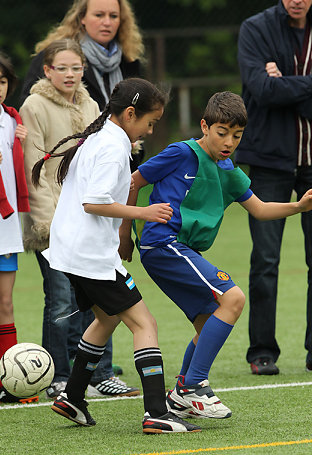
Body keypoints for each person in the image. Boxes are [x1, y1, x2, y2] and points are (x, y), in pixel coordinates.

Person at [119, 91, 312, 420]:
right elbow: (133, 181)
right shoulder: (182, 152)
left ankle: (180, 393)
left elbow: (261, 209)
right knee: (233, 299)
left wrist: (297, 206)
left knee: (210, 320)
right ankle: (193, 386)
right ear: (204, 126)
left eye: (237, 136)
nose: (229, 142)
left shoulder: (228, 169)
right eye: (222, 132)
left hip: (180, 249)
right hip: (162, 243)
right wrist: (125, 233)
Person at [31, 77, 202, 433]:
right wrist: (143, 214)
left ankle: (72, 398)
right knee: (145, 324)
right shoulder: (112, 145)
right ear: (128, 114)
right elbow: (94, 202)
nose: (150, 130)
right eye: (149, 122)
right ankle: (156, 411)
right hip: (90, 256)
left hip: (70, 251)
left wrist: (122, 234)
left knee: (107, 319)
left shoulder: (100, 136)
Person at [20, 0, 145, 391]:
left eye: (77, 68)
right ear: (47, 70)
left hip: (88, 218)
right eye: (63, 68)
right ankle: (57, 375)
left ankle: (101, 375)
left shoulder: (92, 102)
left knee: (100, 297)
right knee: (60, 300)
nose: (71, 74)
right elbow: (34, 171)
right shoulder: (35, 106)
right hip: (54, 220)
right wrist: (47, 223)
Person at [236, 0, 312, 375]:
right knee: (265, 260)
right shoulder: (256, 28)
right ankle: (262, 351)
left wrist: (287, 83)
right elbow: (261, 90)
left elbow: (277, 89)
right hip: (270, 160)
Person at [0, 49, 30, 406]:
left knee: (4, 302)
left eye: (1, 81)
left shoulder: (12, 121)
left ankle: (8, 381)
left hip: (4, 228)